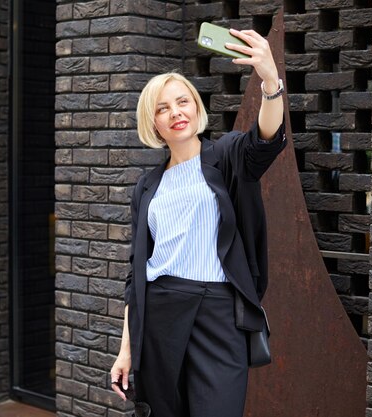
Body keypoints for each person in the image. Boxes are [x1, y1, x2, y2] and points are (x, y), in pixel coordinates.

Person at [110, 27, 287, 417]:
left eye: (182, 101)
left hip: (218, 314)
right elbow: (135, 277)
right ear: (152, 122)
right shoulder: (147, 187)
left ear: (196, 107)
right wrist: (126, 350)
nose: (175, 113)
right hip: (159, 316)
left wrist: (270, 80)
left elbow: (265, 140)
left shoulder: (225, 156)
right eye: (162, 108)